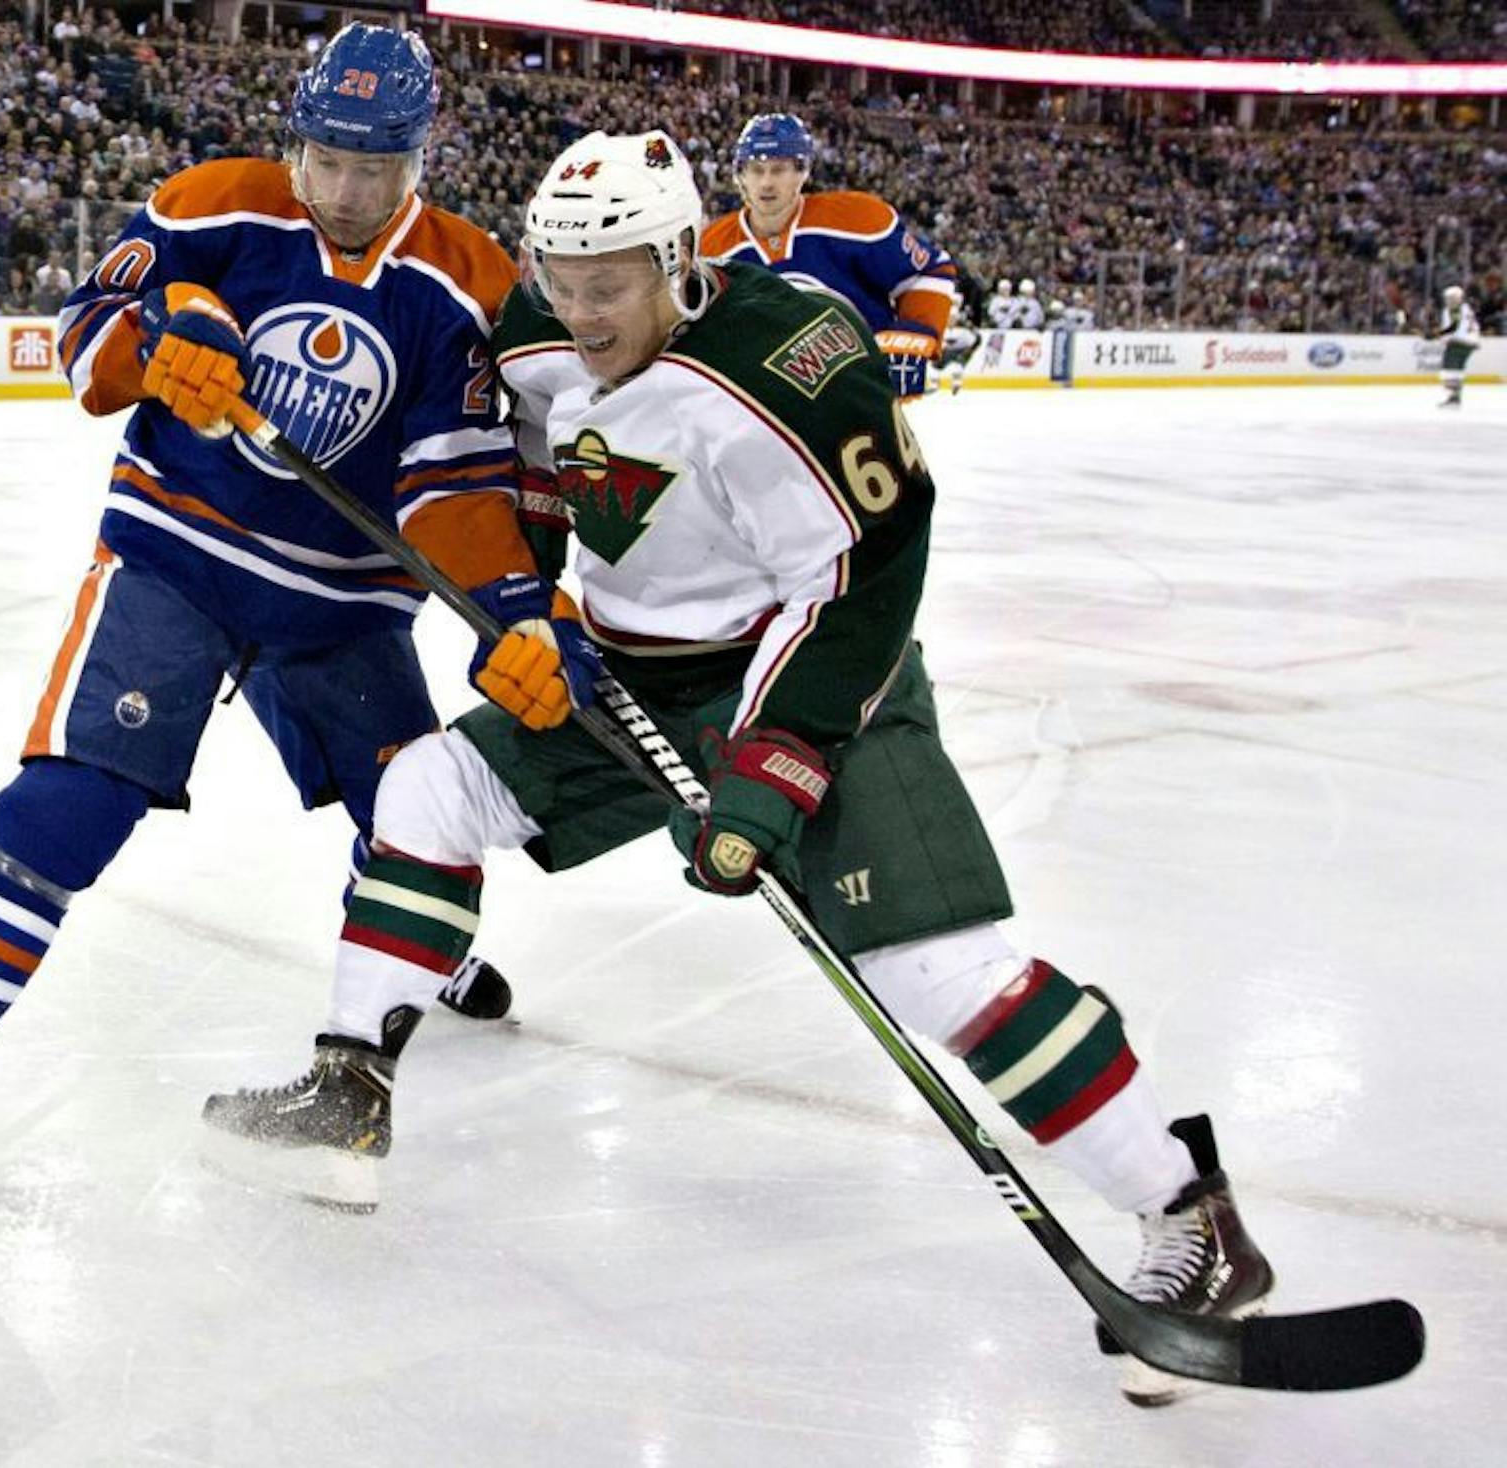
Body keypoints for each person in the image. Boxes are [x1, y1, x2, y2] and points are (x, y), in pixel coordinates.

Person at [204, 131, 1275, 1408]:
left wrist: (772, 770)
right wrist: (532, 610)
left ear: (676, 260)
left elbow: (861, 578)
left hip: (816, 675)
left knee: (935, 969)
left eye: (610, 281)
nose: (579, 308)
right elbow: (535, 473)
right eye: (560, 274)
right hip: (627, 676)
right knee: (429, 789)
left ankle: (1187, 1213)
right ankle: (350, 1088)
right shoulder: (539, 328)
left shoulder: (796, 362)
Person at [0, 23, 561, 1220]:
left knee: (418, 811)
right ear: (299, 139)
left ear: (419, 158)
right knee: (74, 800)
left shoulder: (468, 281)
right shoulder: (211, 206)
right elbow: (85, 347)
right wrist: (152, 352)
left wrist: (515, 615)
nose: (347, 192)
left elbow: (455, 485)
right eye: (328, 160)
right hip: (176, 555)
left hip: (342, 602)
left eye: (376, 168)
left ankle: (412, 954)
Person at [699, 113, 957, 399]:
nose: (766, 183)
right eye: (756, 170)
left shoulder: (857, 220)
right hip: (768, 408)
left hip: (860, 395)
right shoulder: (712, 248)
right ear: (740, 175)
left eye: (779, 169)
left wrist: (911, 338)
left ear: (802, 171)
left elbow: (930, 270)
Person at [1428, 284, 1481, 407]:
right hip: (1470, 342)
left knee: (1449, 369)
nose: (1449, 300)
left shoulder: (1454, 310)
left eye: (1452, 298)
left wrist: (1436, 334)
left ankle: (1453, 397)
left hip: (1458, 342)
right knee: (1458, 370)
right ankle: (1456, 396)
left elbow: (1453, 327)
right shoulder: (1466, 308)